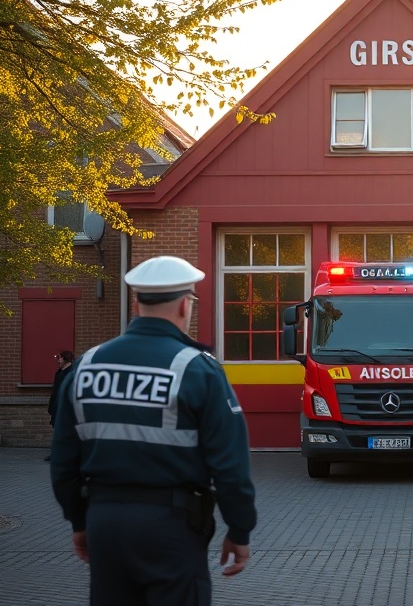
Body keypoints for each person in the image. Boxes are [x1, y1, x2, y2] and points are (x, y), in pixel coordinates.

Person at [50, 255, 256, 606]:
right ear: (183, 306)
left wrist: (79, 521)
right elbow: (230, 466)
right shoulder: (198, 370)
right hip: (171, 528)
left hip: (105, 523)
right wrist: (239, 529)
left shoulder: (86, 366)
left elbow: (63, 461)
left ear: (136, 304)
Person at [44, 350, 75, 461]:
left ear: (66, 358)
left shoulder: (72, 373)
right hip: (57, 407)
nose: (58, 359)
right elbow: (55, 392)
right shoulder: (59, 373)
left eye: (60, 357)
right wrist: (51, 408)